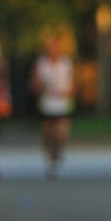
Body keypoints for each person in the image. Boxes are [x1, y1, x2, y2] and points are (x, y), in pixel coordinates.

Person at [30, 31, 76, 179]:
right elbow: (34, 84)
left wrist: (68, 92)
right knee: (47, 134)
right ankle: (51, 161)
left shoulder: (66, 64)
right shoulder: (41, 64)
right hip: (47, 104)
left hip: (62, 104)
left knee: (62, 133)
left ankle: (60, 150)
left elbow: (73, 83)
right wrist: (42, 88)